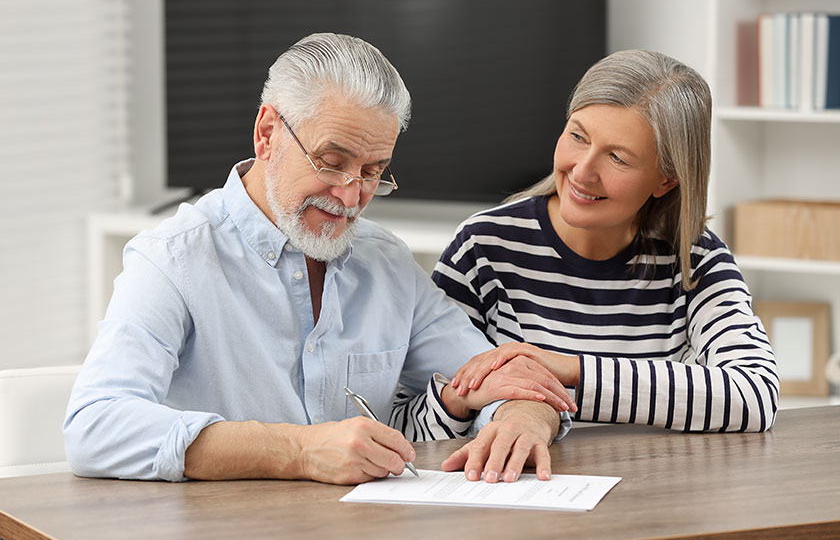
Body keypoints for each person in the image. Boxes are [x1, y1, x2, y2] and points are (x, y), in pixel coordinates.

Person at [64, 33, 574, 485]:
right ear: (267, 134)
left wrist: (523, 415)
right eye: (332, 164)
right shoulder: (173, 260)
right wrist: (297, 451)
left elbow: (491, 375)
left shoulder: (388, 264)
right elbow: (95, 425)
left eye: (374, 172)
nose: (351, 197)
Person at [433, 50, 778, 433]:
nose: (582, 172)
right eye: (578, 136)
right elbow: (421, 410)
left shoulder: (695, 259)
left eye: (617, 157)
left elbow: (755, 396)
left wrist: (570, 369)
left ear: (666, 179)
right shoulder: (483, 246)